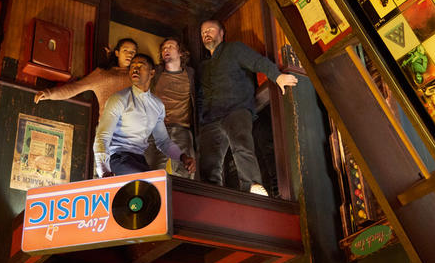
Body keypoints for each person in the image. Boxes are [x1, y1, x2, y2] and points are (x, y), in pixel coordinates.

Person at [197, 20, 298, 195]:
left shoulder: (234, 49)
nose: (206, 33)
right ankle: (212, 196)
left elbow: (257, 61)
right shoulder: (203, 66)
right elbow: (200, 95)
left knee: (241, 146)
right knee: (208, 161)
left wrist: (277, 76)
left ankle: (252, 185)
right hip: (210, 118)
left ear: (222, 33)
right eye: (203, 32)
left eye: (210, 30)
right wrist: (201, 117)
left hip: (235, 108)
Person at [34, 37, 138, 176]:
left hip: (131, 133)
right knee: (105, 175)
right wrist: (49, 93)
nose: (130, 54)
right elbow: (76, 87)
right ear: (117, 53)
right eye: (126, 50)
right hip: (108, 132)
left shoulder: (137, 77)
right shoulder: (103, 74)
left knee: (130, 175)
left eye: (133, 52)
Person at [94, 53, 196, 177]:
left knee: (161, 182)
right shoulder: (119, 99)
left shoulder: (157, 105)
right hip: (117, 158)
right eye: (132, 66)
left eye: (140, 66)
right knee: (152, 180)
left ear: (152, 73)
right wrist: (103, 170)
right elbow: (102, 137)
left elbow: (163, 141)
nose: (135, 69)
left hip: (139, 160)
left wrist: (183, 157)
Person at [145, 37, 197, 178]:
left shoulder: (191, 74)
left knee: (184, 172)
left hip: (181, 129)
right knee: (151, 173)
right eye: (163, 48)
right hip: (156, 129)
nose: (166, 50)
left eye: (170, 46)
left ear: (181, 52)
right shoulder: (156, 72)